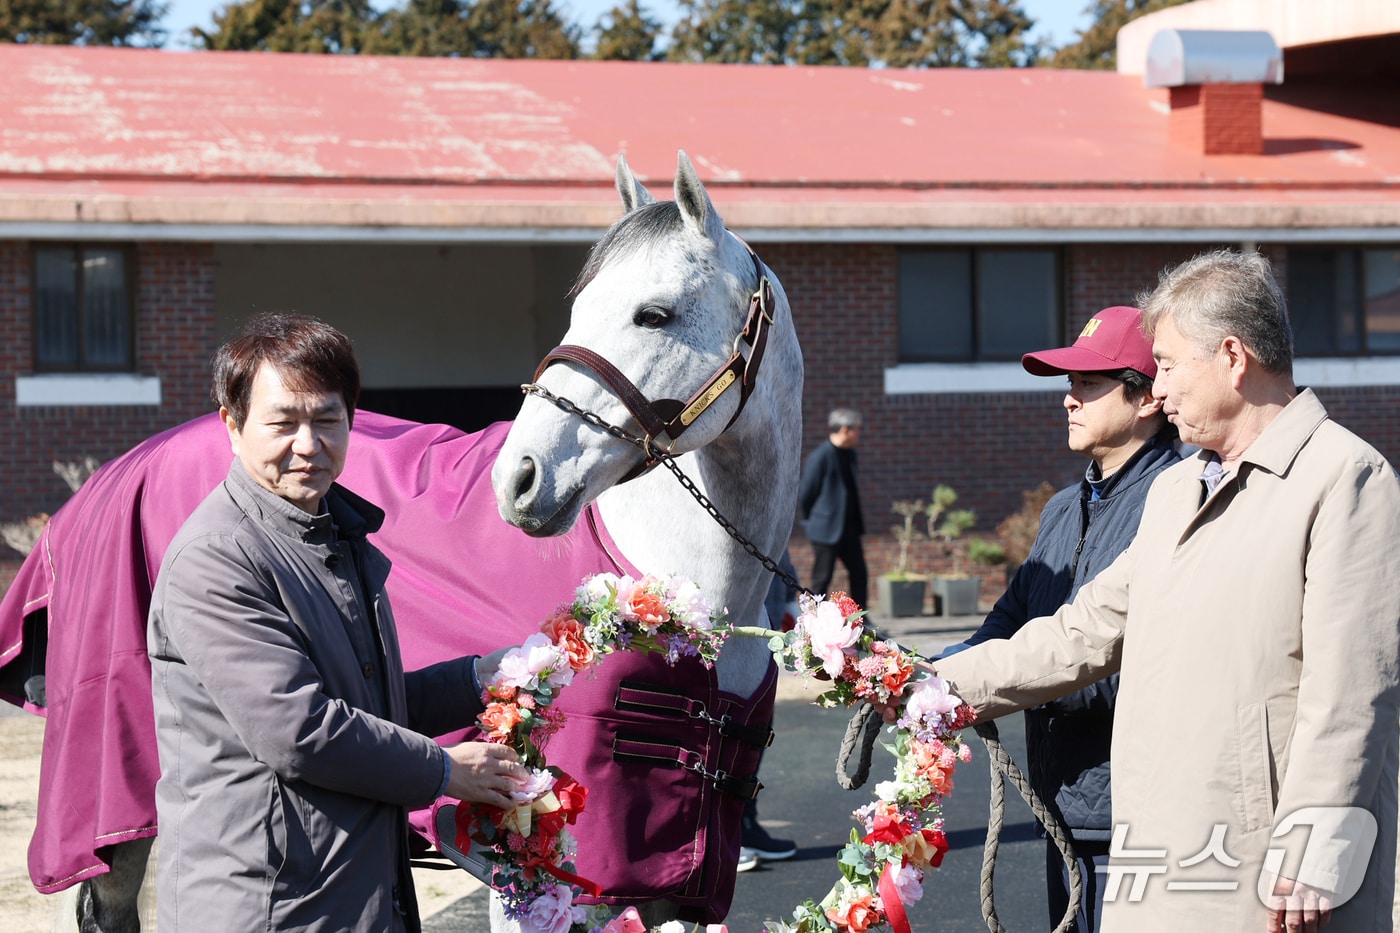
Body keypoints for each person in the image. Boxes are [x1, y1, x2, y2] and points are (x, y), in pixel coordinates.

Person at [930, 250, 1400, 933]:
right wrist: (929, 683)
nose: (1162, 385)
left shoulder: (1345, 479)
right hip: (1156, 849)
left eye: (1171, 365)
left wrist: (1313, 851)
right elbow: (1081, 632)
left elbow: (1352, 693)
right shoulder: (1177, 489)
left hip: (1266, 869)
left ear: (1233, 357)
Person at [148, 313, 527, 933]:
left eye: (327, 420)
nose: (308, 444)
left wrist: (478, 677)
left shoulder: (330, 534)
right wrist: (446, 771)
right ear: (231, 424)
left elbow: (365, 702)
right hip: (266, 902)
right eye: (283, 422)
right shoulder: (217, 559)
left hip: (340, 888)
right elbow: (298, 731)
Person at [941, 305, 1181, 933]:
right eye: (1068, 385)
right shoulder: (1061, 508)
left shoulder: (1175, 500)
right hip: (1060, 804)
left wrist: (977, 688)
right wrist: (918, 674)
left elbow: (1114, 661)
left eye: (1088, 385)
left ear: (1148, 397)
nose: (1069, 401)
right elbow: (1006, 622)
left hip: (1132, 813)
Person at [734, 550, 803, 870]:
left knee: (757, 731)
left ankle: (745, 822)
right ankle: (725, 831)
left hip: (767, 629)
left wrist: (791, 602)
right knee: (730, 731)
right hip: (731, 631)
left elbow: (779, 546)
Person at [799, 408, 868, 609]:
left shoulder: (851, 455)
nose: (859, 433)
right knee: (822, 578)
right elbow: (807, 493)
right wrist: (812, 521)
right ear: (845, 430)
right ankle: (815, 617)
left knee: (859, 573)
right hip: (825, 528)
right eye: (857, 429)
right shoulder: (820, 457)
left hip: (849, 528)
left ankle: (861, 617)